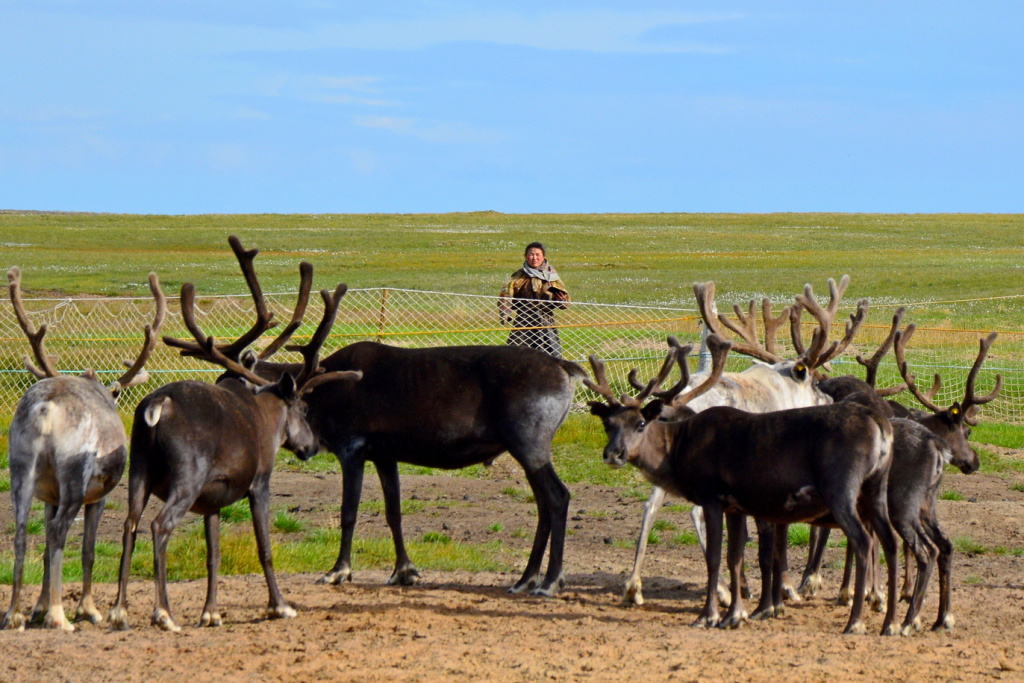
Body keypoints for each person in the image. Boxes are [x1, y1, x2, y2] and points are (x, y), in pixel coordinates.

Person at [498, 242, 571, 358]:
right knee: (516, 355)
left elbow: (565, 300)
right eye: (531, 255)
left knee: (551, 356)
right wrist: (505, 313)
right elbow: (506, 294)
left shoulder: (552, 275)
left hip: (546, 320)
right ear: (526, 257)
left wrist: (561, 300)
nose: (534, 258)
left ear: (543, 257)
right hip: (524, 321)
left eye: (537, 255)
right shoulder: (519, 275)